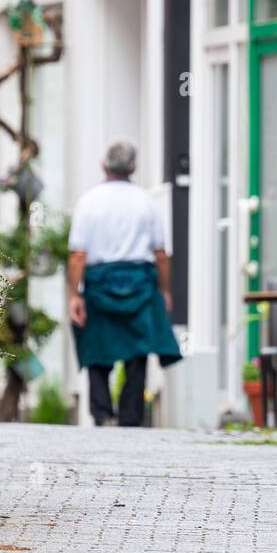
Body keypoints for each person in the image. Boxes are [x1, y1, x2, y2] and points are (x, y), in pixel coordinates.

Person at [68, 141, 182, 426]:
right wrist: (164, 290)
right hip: (140, 283)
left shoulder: (88, 201)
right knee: (137, 349)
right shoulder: (147, 202)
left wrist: (74, 294)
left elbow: (78, 255)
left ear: (103, 166)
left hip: (98, 283)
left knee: (97, 348)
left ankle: (102, 413)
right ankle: (131, 418)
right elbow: (160, 253)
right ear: (133, 168)